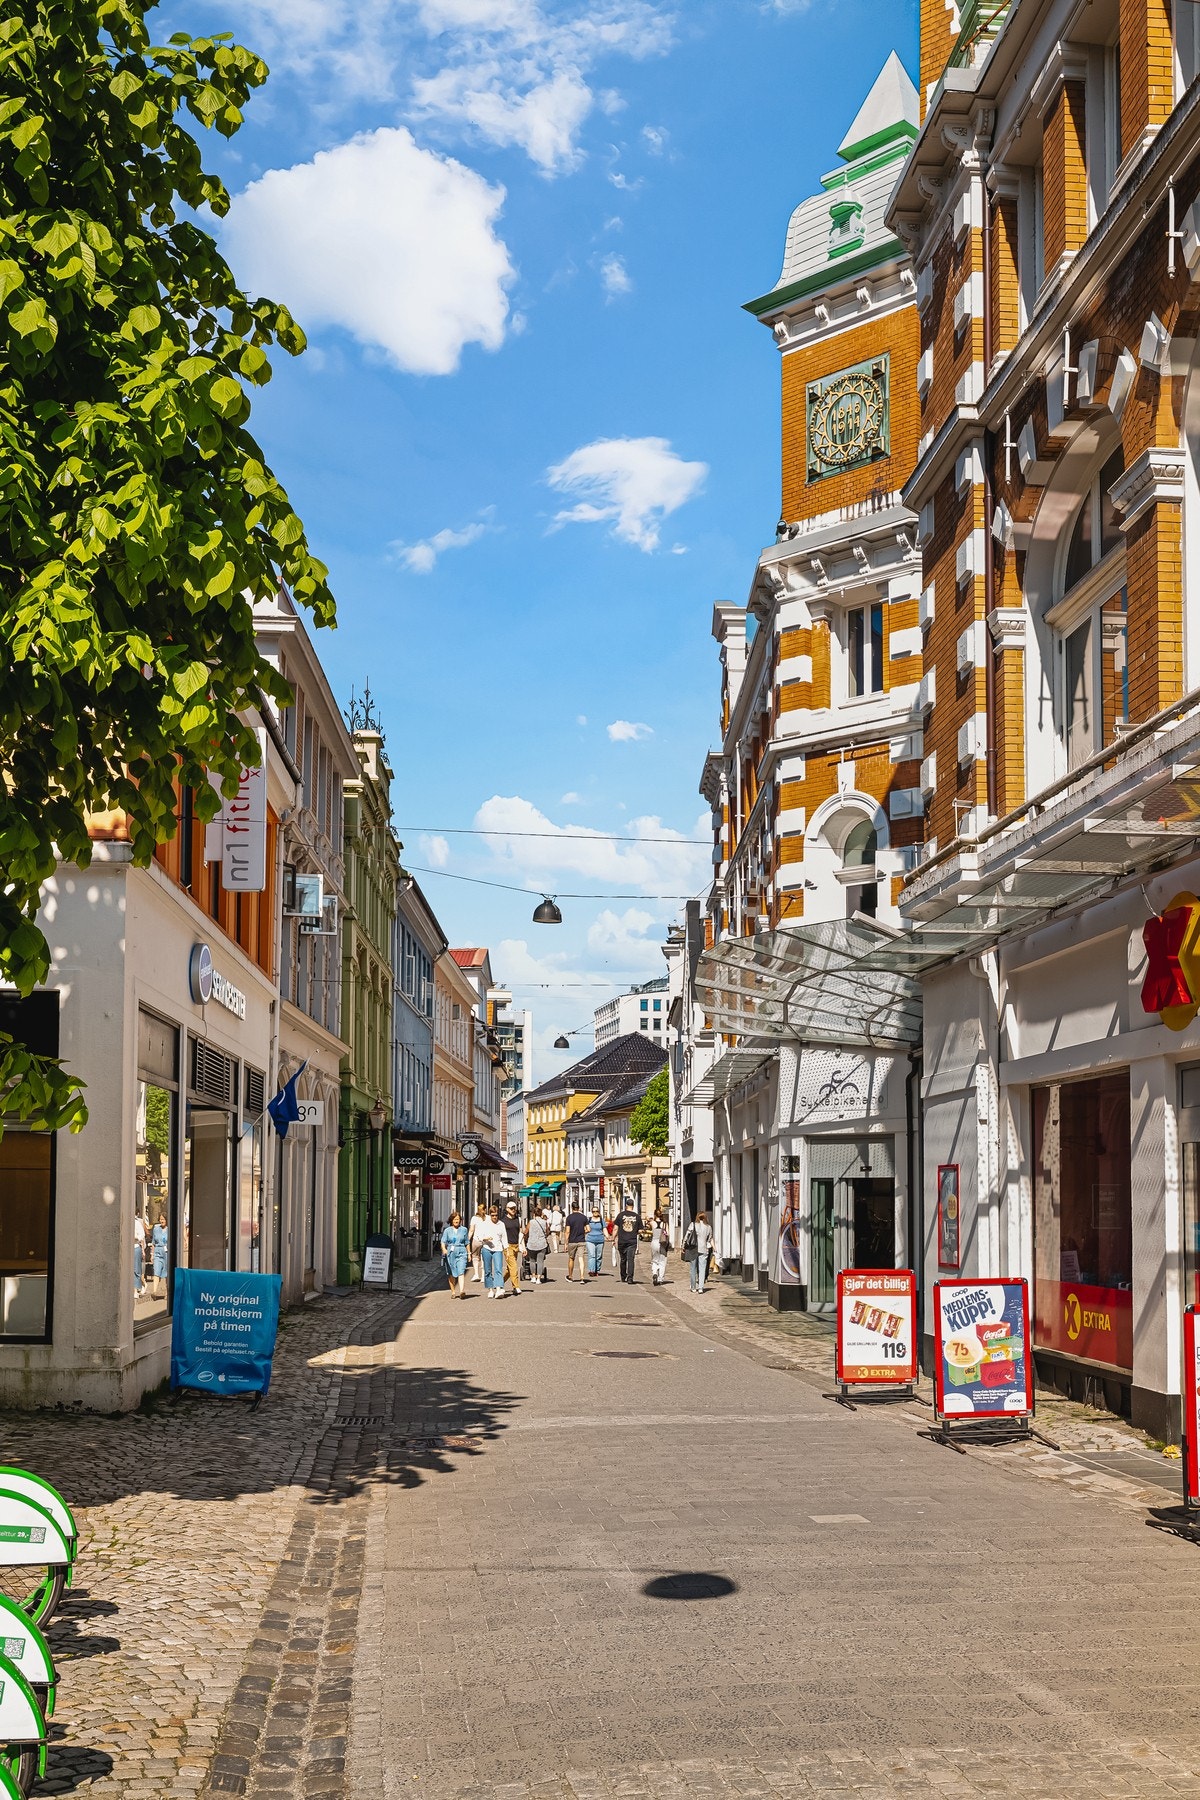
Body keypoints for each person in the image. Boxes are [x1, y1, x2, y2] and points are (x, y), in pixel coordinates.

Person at [481, 1205, 508, 1300]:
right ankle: (490, 1290)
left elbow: (504, 1238)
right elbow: (479, 1235)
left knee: (498, 1269)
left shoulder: (501, 1224)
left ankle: (498, 1289)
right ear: (490, 1215)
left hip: (498, 1248)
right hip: (486, 1248)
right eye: (492, 1215)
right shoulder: (485, 1224)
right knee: (487, 1270)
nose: (494, 1217)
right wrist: (484, 1238)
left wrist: (506, 1250)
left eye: (496, 1215)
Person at [441, 1213, 470, 1299]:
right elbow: (443, 1242)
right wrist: (444, 1249)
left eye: (458, 1219)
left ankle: (462, 1291)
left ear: (460, 1220)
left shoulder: (464, 1230)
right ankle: (453, 1291)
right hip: (451, 1253)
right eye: (454, 1219)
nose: (456, 1221)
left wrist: (469, 1253)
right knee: (452, 1273)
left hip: (462, 1251)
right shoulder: (447, 1230)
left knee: (461, 1271)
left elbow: (467, 1242)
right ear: (451, 1220)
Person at [615, 1196, 643, 1284]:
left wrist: (613, 1238)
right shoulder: (637, 1217)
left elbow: (616, 1228)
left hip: (622, 1240)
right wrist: (635, 1232)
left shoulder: (620, 1215)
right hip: (632, 1241)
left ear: (626, 1205)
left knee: (623, 1259)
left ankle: (623, 1276)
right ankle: (630, 1278)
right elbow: (640, 1230)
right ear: (633, 1206)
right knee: (631, 1259)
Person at [501, 1201, 523, 1296]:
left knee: (510, 1269)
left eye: (514, 1208)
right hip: (507, 1246)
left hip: (516, 1245)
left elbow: (521, 1233)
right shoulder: (503, 1221)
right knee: (514, 1266)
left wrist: (523, 1247)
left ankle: (499, 1283)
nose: (513, 1210)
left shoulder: (519, 1219)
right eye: (511, 1208)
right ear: (507, 1209)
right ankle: (516, 1286)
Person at [688, 1212, 715, 1293]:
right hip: (704, 1249)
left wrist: (683, 1245)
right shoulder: (708, 1227)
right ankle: (701, 1287)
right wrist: (714, 1248)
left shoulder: (693, 1225)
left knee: (693, 1268)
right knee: (702, 1268)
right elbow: (710, 1239)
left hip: (694, 1248)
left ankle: (693, 1287)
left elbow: (687, 1235)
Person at [524, 1206, 550, 1285]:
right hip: (541, 1244)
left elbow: (525, 1232)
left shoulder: (531, 1222)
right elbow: (547, 1231)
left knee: (532, 1261)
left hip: (531, 1244)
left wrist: (526, 1239)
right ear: (541, 1214)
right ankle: (539, 1278)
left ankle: (533, 1277)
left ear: (534, 1214)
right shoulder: (544, 1222)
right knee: (540, 1261)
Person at [564, 1200, 590, 1281]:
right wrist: (583, 1232)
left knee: (571, 1258)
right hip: (581, 1240)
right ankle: (582, 1276)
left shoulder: (569, 1218)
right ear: (578, 1208)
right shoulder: (584, 1217)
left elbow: (567, 1231)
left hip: (572, 1241)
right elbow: (588, 1229)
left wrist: (565, 1243)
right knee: (581, 1258)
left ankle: (570, 1276)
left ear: (572, 1208)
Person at [467, 1201, 489, 1283]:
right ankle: (483, 1276)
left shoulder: (474, 1218)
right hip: (486, 1240)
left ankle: (476, 1274)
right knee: (484, 1258)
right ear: (485, 1209)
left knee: (475, 1257)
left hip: (476, 1240)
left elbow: (471, 1230)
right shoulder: (488, 1218)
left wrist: (467, 1239)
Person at [151, 1212, 169, 1300]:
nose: (161, 1221)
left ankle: (167, 1292)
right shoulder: (156, 1229)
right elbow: (153, 1242)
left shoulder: (170, 1229)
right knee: (156, 1271)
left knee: (166, 1273)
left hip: (166, 1252)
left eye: (163, 1219)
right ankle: (154, 1292)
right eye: (160, 1219)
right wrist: (152, 1254)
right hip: (158, 1251)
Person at [650, 1212, 670, 1286]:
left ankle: (655, 1273)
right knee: (662, 1261)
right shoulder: (665, 1224)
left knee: (654, 1260)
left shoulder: (652, 1223)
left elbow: (647, 1219)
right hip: (662, 1243)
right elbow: (668, 1234)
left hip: (654, 1242)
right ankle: (660, 1278)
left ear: (655, 1215)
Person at [585, 1207, 606, 1278]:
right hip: (590, 1239)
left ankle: (597, 1270)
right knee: (592, 1255)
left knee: (599, 1256)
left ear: (599, 1212)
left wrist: (608, 1236)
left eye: (596, 1211)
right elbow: (585, 1228)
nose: (595, 1212)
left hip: (600, 1240)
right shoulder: (589, 1220)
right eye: (593, 1211)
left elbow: (604, 1229)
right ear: (592, 1212)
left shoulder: (601, 1220)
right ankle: (592, 1270)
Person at [133, 1209, 146, 1300]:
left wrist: (136, 1237)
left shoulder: (136, 1223)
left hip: (135, 1247)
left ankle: (136, 1289)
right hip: (126, 1248)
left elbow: (142, 1235)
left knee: (136, 1269)